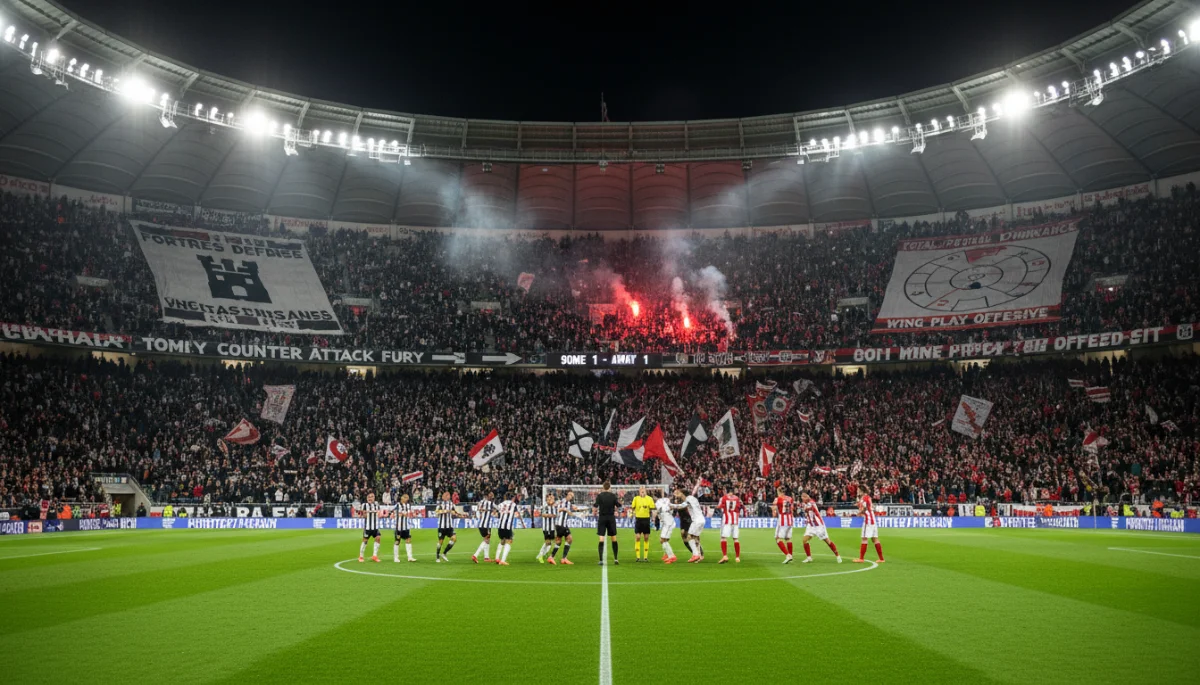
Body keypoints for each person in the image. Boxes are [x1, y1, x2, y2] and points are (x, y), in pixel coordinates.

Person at [799, 492, 841, 564]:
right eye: (802, 498)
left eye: (804, 498)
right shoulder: (805, 504)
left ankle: (838, 556)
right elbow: (808, 513)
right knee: (804, 540)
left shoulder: (811, 503)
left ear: (807, 497)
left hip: (819, 525)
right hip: (811, 525)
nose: (802, 499)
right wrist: (807, 520)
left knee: (827, 540)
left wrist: (803, 506)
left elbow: (808, 508)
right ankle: (809, 558)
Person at [672, 488, 706, 563]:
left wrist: (671, 505)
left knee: (689, 537)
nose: (678, 495)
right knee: (696, 538)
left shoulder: (688, 499)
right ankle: (699, 555)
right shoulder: (693, 498)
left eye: (679, 493)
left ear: (683, 494)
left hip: (696, 521)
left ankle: (695, 555)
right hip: (702, 520)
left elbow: (682, 506)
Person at [549, 490, 582, 565]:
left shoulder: (568, 503)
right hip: (561, 524)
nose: (571, 497)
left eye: (572, 496)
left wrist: (575, 510)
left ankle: (552, 557)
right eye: (570, 495)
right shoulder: (563, 502)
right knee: (568, 539)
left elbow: (570, 511)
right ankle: (562, 558)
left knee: (560, 541)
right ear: (567, 495)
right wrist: (565, 509)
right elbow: (557, 509)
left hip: (561, 524)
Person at [853, 488, 885, 563]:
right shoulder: (868, 497)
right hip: (872, 519)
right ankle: (881, 559)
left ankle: (861, 558)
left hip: (868, 520)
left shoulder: (864, 498)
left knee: (864, 538)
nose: (857, 492)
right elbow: (869, 506)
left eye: (858, 490)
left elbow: (864, 508)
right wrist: (858, 504)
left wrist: (859, 513)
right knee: (875, 539)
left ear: (862, 491)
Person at [593, 481, 620, 565]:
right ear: (609, 487)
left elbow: (595, 506)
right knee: (613, 538)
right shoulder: (613, 496)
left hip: (602, 518)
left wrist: (594, 511)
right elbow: (618, 505)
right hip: (611, 518)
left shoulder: (600, 496)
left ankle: (601, 560)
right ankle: (616, 559)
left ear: (603, 487)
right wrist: (616, 508)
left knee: (601, 539)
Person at [434, 491, 465, 563]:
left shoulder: (451, 504)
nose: (448, 496)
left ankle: (444, 553)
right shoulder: (440, 504)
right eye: (446, 495)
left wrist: (460, 515)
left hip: (450, 526)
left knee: (454, 538)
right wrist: (446, 511)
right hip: (441, 526)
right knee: (440, 542)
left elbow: (454, 512)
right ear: (443, 497)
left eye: (448, 495)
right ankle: (437, 556)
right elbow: (436, 512)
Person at [716, 487, 744, 564]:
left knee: (723, 537)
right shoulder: (737, 498)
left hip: (727, 519)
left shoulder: (723, 498)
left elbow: (719, 506)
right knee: (735, 539)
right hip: (735, 519)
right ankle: (737, 557)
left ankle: (725, 556)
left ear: (726, 491)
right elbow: (741, 506)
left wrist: (717, 507)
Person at [629, 486, 656, 563]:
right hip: (638, 519)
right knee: (638, 537)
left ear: (645, 491)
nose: (642, 492)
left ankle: (645, 557)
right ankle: (638, 557)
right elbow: (632, 508)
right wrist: (631, 514)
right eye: (641, 491)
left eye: (643, 491)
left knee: (646, 538)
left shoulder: (649, 499)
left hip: (646, 519)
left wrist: (653, 518)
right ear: (639, 492)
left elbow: (653, 509)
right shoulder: (636, 498)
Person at [356, 492, 383, 563]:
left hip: (375, 527)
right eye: (369, 497)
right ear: (367, 498)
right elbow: (364, 516)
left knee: (378, 538)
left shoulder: (377, 505)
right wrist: (365, 513)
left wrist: (377, 513)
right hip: (368, 527)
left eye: (372, 496)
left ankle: (374, 556)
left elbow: (379, 514)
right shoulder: (364, 505)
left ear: (374, 498)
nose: (370, 498)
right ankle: (361, 556)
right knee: (365, 541)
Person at [494, 492, 520, 566]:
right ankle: (503, 560)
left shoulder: (501, 504)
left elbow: (496, 511)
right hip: (508, 526)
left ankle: (497, 558)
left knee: (502, 541)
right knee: (509, 541)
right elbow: (517, 514)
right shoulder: (513, 504)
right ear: (512, 498)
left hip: (500, 526)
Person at [471, 491, 496, 564]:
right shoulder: (490, 503)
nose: (492, 496)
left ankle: (486, 557)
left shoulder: (481, 502)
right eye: (491, 494)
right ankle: (475, 555)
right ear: (488, 495)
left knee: (487, 540)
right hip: (486, 525)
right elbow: (498, 507)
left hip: (481, 524)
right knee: (486, 539)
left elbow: (478, 509)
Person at [772, 487, 796, 563]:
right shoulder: (790, 498)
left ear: (779, 491)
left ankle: (787, 555)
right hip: (790, 520)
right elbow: (792, 509)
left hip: (782, 521)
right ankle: (791, 556)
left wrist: (773, 510)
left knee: (777, 538)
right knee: (788, 538)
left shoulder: (777, 499)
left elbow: (774, 511)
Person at [654, 490, 678, 564]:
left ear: (655, 497)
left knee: (663, 540)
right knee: (664, 539)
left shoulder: (658, 502)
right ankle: (667, 554)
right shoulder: (667, 500)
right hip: (668, 522)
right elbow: (671, 508)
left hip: (668, 523)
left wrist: (656, 513)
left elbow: (660, 510)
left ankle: (671, 556)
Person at [392, 493, 417, 563]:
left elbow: (410, 513)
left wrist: (412, 514)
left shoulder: (408, 505)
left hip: (406, 527)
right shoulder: (397, 505)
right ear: (401, 498)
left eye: (407, 498)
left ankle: (410, 557)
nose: (406, 499)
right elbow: (396, 512)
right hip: (398, 527)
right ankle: (396, 558)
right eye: (405, 497)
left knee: (408, 539)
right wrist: (402, 514)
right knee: (397, 541)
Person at [536, 494, 558, 564]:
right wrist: (550, 515)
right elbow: (543, 514)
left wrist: (553, 515)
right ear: (547, 499)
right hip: (547, 528)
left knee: (550, 542)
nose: (551, 500)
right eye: (549, 498)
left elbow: (556, 514)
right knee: (548, 542)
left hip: (552, 527)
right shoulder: (545, 506)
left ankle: (543, 554)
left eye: (552, 498)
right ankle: (541, 555)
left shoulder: (554, 507)